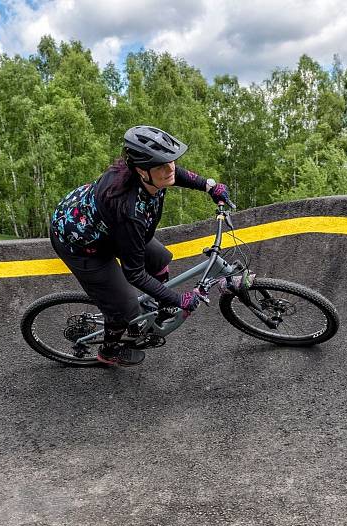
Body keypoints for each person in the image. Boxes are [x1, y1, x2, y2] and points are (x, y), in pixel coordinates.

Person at [49, 125, 231, 367]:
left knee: (159, 259)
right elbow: (133, 273)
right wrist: (177, 299)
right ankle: (109, 350)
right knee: (124, 308)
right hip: (81, 245)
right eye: (161, 166)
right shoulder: (130, 211)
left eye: (171, 162)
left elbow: (176, 174)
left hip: (109, 228)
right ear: (141, 171)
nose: (170, 170)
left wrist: (209, 187)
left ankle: (158, 304)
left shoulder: (147, 175)